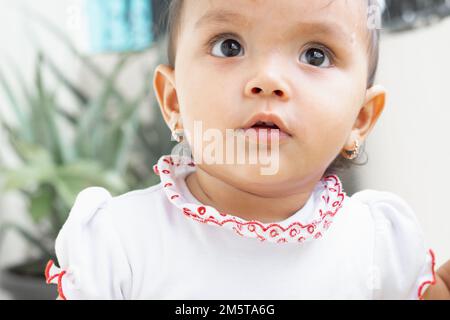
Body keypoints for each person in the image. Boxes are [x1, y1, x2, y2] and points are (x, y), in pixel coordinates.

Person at [45, 0, 450, 299]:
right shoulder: (121, 243)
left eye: (315, 54)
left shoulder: (378, 243)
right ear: (174, 102)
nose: (268, 79)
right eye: (229, 46)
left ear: (359, 119)